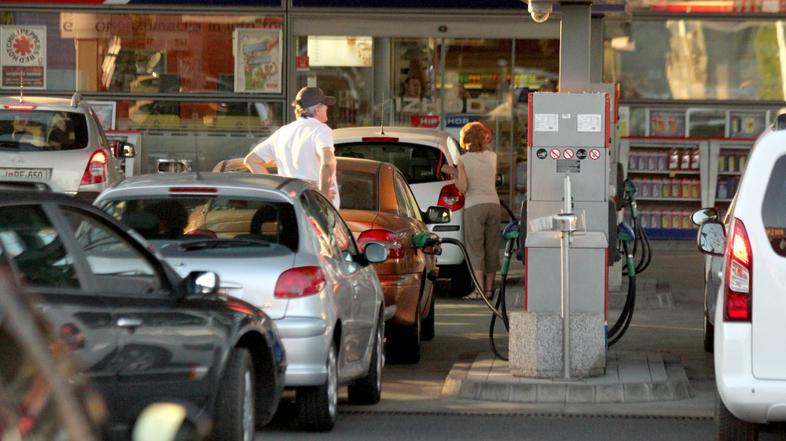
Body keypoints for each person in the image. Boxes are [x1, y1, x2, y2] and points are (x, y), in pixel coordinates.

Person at [244, 86, 340, 208]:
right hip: (316, 210)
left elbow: (252, 160)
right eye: (325, 104)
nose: (327, 107)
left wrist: (278, 191)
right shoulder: (320, 130)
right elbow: (328, 162)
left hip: (290, 207)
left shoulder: (282, 132)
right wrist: (323, 193)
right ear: (317, 109)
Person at [456, 121, 501, 300]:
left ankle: (478, 290)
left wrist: (453, 177)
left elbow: (463, 186)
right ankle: (490, 289)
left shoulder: (463, 160)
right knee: (492, 247)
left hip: (474, 205)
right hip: (494, 204)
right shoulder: (493, 156)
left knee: (475, 248)